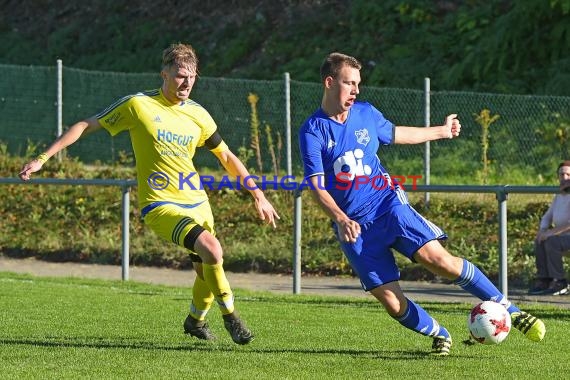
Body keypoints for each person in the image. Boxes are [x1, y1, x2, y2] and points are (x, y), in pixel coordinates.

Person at [19, 43, 280, 345]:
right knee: (213, 250)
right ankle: (231, 317)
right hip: (161, 204)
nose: (186, 83)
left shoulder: (199, 114)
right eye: (180, 76)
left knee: (207, 269)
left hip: (197, 201)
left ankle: (195, 321)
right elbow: (85, 125)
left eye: (192, 77)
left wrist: (257, 193)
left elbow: (227, 157)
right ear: (164, 74)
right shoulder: (138, 105)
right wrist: (42, 158)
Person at [298, 52, 546, 356]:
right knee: (392, 302)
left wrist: (441, 132)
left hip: (387, 205)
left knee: (437, 259)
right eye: (350, 83)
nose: (356, 90)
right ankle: (440, 334)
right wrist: (339, 217)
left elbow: (398, 133)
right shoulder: (313, 131)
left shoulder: (366, 113)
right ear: (329, 82)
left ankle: (513, 312)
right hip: (354, 227)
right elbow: (316, 186)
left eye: (358, 84)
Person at [528, 160, 570, 295]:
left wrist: (551, 233)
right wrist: (543, 231)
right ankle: (545, 279)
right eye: (561, 175)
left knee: (552, 241)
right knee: (541, 240)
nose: (564, 178)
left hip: (566, 236)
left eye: (568, 175)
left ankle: (560, 281)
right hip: (562, 235)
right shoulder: (559, 194)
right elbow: (548, 216)